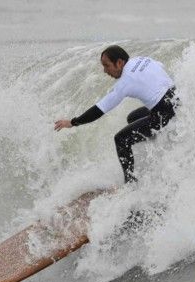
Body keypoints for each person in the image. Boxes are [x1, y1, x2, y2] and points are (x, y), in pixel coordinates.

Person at [54, 45, 178, 183]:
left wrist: (72, 122)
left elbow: (99, 109)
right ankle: (159, 145)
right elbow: (160, 68)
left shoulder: (125, 82)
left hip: (164, 114)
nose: (105, 71)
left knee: (121, 139)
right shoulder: (143, 60)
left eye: (107, 66)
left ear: (119, 63)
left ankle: (130, 183)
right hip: (176, 101)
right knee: (133, 117)